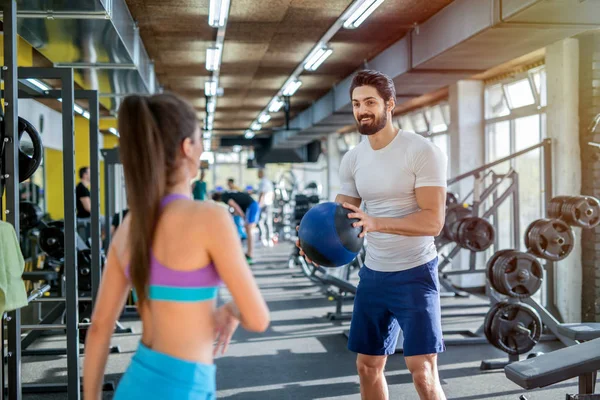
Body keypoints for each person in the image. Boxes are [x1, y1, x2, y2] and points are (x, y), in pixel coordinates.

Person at [83, 92, 270, 400]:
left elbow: (100, 328)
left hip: (135, 385)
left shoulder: (130, 226)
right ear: (187, 148)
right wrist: (232, 309)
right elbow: (258, 319)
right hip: (186, 389)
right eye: (200, 140)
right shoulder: (211, 217)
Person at [298, 70, 447, 400]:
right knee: (367, 366)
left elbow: (433, 222)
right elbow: (341, 216)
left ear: (390, 104)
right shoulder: (353, 158)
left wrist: (377, 223)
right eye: (356, 104)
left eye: (370, 102)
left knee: (422, 370)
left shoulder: (422, 151)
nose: (362, 110)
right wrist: (312, 240)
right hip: (375, 276)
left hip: (415, 272)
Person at [211, 190, 260, 265]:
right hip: (252, 205)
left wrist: (242, 215)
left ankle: (250, 254)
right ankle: (249, 254)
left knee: (249, 229)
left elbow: (235, 206)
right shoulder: (228, 194)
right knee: (248, 229)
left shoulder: (224, 197)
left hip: (251, 205)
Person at [256, 169, 274, 247]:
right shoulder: (268, 182)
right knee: (268, 222)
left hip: (264, 205)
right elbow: (273, 194)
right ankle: (269, 239)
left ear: (261, 173)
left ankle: (263, 239)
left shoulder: (263, 182)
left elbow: (262, 194)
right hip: (269, 204)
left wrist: (259, 204)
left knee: (261, 221)